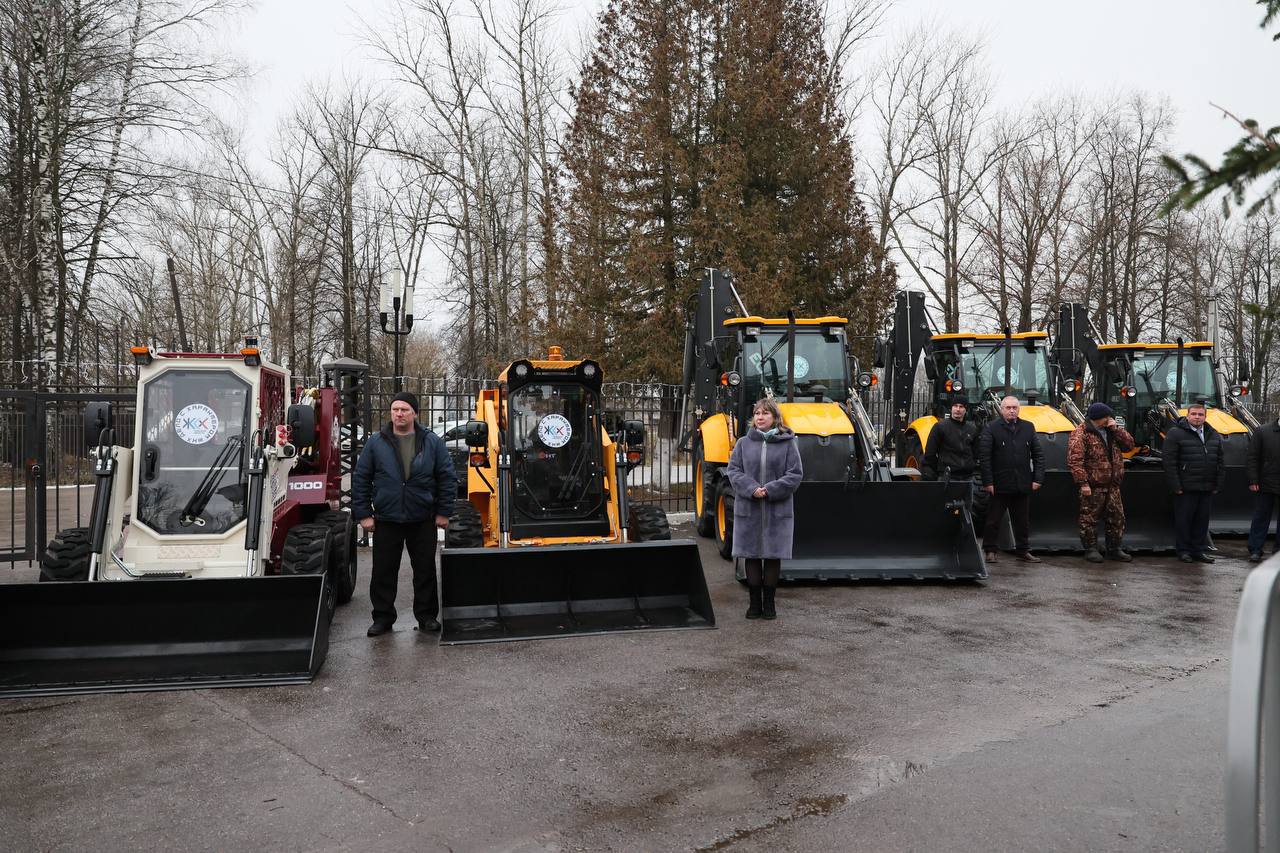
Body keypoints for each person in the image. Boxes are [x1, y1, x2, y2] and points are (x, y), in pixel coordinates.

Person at [352, 392, 458, 636]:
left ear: (414, 413)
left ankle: (427, 617)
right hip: (387, 519)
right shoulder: (376, 442)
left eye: (404, 410)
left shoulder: (431, 441)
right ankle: (383, 618)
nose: (399, 414)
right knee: (383, 572)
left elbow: (446, 477)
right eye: (395, 409)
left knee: (425, 571)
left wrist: (443, 511)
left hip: (422, 518)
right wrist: (364, 514)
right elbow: (361, 479)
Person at [726, 398, 803, 621]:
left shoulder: (788, 443)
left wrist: (769, 490)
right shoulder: (743, 443)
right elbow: (734, 472)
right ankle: (754, 604)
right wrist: (752, 489)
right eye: (757, 413)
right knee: (750, 555)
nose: (760, 417)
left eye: (765, 413)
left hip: (776, 510)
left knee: (771, 557)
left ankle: (769, 604)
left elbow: (795, 474)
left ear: (775, 417)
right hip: (748, 509)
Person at [977, 395, 1045, 563]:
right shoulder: (991, 428)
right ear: (1001, 409)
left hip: (1022, 483)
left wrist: (1037, 479)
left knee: (1022, 520)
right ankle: (990, 550)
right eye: (1008, 408)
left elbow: (1038, 455)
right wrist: (988, 482)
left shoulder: (1028, 427)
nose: (1012, 410)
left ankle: (1023, 550)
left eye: (1015, 407)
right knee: (993, 520)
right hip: (999, 484)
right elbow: (984, 458)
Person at [1067, 402, 1135, 563]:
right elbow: (1075, 460)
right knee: (1089, 518)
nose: (1109, 419)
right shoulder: (1081, 433)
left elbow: (1129, 446)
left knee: (1117, 518)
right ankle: (1090, 549)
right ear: (1099, 418)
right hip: (1093, 485)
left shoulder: (1111, 431)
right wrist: (1083, 483)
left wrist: (1116, 429)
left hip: (1113, 485)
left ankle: (1114, 548)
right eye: (1107, 416)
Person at [1162, 401, 1225, 564]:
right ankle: (1183, 551)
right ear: (1188, 415)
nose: (1197, 417)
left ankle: (1199, 550)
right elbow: (1169, 461)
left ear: (1205, 416)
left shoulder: (1213, 433)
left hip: (1207, 486)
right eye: (1194, 414)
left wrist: (1218, 483)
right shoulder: (1175, 433)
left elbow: (1220, 460)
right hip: (1186, 487)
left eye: (1201, 414)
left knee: (1202, 521)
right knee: (1184, 520)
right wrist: (1175, 485)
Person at [1246, 415, 1280, 562]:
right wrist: (1253, 480)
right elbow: (1252, 457)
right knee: (1261, 517)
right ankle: (1255, 549)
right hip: (1266, 483)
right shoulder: (1262, 431)